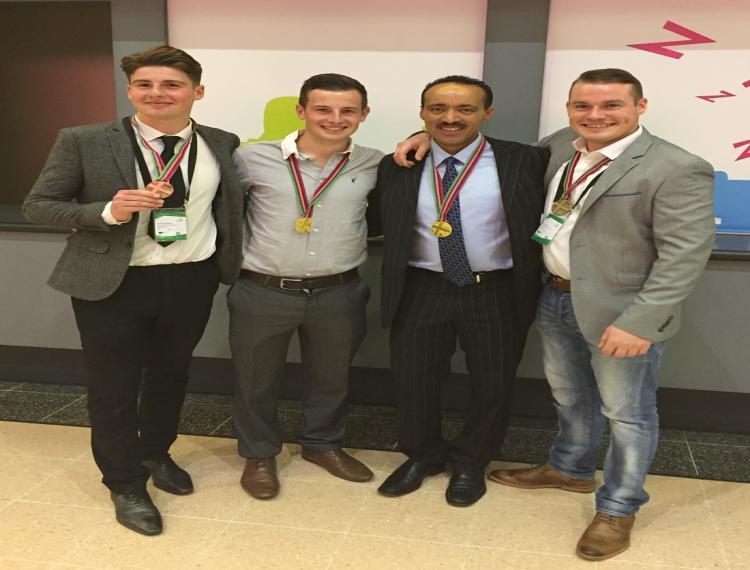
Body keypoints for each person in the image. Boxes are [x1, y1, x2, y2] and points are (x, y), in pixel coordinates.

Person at [395, 67, 715, 559]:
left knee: (627, 413)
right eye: (583, 105)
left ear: (640, 106)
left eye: (611, 105)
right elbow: (465, 141)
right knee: (570, 396)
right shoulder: (560, 146)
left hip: (622, 312)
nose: (595, 115)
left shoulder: (676, 166)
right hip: (555, 297)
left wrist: (641, 322)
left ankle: (618, 507)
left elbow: (685, 255)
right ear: (569, 109)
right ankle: (570, 468)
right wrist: (425, 137)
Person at [23, 45, 243, 536]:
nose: (157, 93)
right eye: (145, 84)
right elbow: (39, 204)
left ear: (197, 92)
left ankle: (155, 452)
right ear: (130, 90)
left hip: (191, 278)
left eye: (172, 85)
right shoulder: (84, 140)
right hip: (115, 282)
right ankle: (125, 482)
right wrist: (107, 211)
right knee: (114, 387)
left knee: (171, 375)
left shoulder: (222, 142)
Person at [375, 76, 549, 507]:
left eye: (465, 109)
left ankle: (472, 460)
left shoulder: (525, 159)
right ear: (422, 113)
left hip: (494, 290)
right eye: (437, 109)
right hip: (420, 287)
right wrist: (418, 138)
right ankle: (422, 455)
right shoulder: (398, 164)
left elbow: (577, 141)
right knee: (413, 379)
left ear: (487, 113)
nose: (450, 118)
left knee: (493, 382)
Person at [230, 73, 382, 500]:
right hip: (263, 288)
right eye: (322, 109)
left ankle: (322, 444)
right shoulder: (250, 158)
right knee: (255, 379)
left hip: (339, 290)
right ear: (301, 111)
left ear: (363, 114)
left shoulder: (374, 163)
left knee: (332, 377)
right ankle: (259, 454)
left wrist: (421, 137)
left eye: (348, 110)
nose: (335, 118)